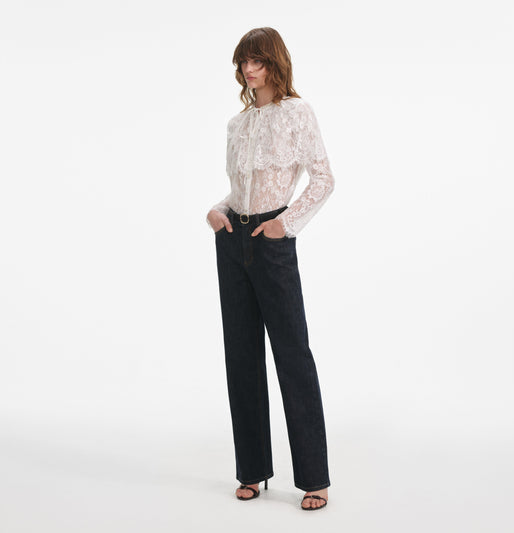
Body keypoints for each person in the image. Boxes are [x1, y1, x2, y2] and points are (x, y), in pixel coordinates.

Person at [206, 27, 334, 511]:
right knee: (240, 356)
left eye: (256, 60)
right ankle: (251, 471)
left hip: (272, 240)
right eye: (243, 62)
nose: (248, 69)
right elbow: (240, 190)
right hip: (232, 238)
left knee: (292, 354)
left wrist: (287, 224)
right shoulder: (236, 124)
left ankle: (315, 478)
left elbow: (323, 179)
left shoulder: (297, 113)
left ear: (274, 62)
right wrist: (218, 210)